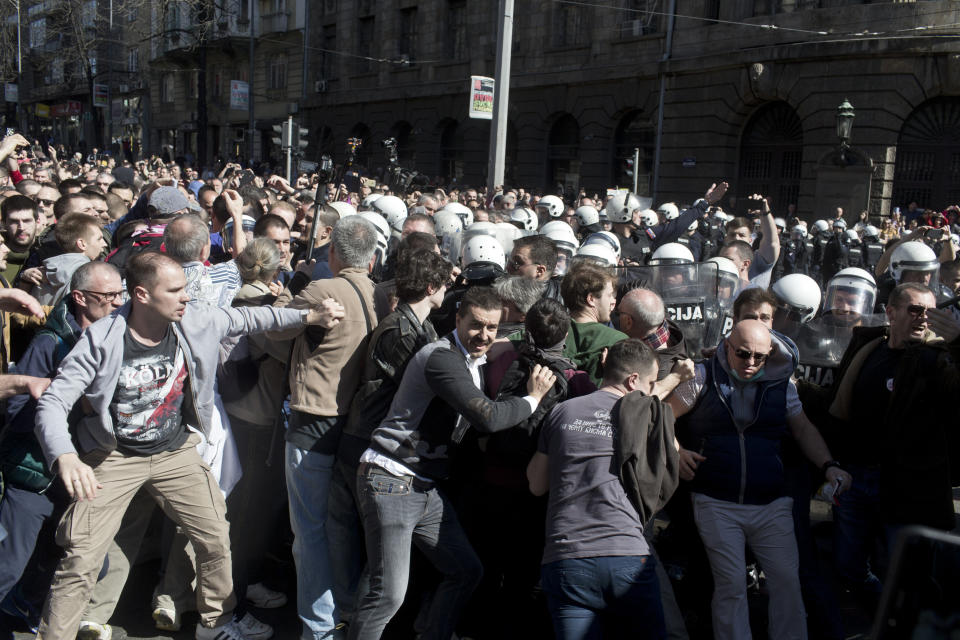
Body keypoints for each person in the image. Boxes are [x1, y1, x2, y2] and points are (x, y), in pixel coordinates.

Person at [32, 251, 344, 640]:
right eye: (175, 290)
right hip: (116, 456)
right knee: (80, 559)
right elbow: (54, 401)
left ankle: (216, 623)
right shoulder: (103, 337)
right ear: (142, 295)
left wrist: (308, 317)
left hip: (174, 451)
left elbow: (252, 318)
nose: (186, 297)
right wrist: (64, 454)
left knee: (214, 536)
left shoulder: (196, 318)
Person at [349, 286, 558, 640]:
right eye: (476, 325)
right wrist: (533, 398)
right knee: (387, 595)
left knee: (465, 571)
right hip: (392, 478)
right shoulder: (441, 358)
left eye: (492, 327)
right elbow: (487, 417)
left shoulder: (470, 361)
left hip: (422, 486)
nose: (484, 335)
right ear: (457, 318)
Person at [668, 320, 852, 640]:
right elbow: (662, 414)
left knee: (786, 581)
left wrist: (830, 465)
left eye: (759, 357)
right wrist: (676, 450)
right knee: (731, 584)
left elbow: (804, 429)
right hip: (716, 500)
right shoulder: (702, 375)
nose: (751, 363)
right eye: (742, 354)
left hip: (771, 502)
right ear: (727, 347)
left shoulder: (783, 385)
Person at [266, 215, 380, 640]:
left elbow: (272, 331)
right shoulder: (381, 295)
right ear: (371, 261)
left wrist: (293, 289)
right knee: (343, 528)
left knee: (309, 533)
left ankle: (319, 628)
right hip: (357, 428)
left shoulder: (321, 289)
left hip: (313, 422)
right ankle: (345, 611)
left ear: (332, 255)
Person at [330, 248, 452, 629]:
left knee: (379, 554)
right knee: (378, 555)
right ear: (432, 287)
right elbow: (421, 386)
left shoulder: (421, 326)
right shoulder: (402, 330)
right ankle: (356, 622)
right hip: (368, 441)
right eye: (445, 283)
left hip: (380, 443)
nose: (448, 290)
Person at [0, 263, 123, 634]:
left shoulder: (116, 335)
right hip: (35, 473)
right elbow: (18, 411)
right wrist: (68, 410)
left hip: (78, 476)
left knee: (85, 561)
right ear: (81, 298)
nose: (118, 304)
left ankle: (24, 604)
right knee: (8, 564)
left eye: (122, 294)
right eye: (108, 297)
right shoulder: (51, 343)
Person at [821, 283, 960, 601]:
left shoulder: (939, 360)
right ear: (890, 312)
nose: (923, 318)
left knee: (907, 575)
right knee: (848, 566)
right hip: (857, 478)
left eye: (930, 311)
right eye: (915, 310)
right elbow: (838, 401)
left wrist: (958, 345)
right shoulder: (867, 348)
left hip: (908, 488)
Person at [526, 339, 668, 640]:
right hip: (627, 556)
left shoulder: (563, 412)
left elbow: (536, 486)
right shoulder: (647, 418)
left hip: (567, 559)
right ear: (632, 381)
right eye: (651, 383)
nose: (651, 391)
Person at [560, 261, 626, 385]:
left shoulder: (545, 331)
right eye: (610, 295)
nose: (613, 301)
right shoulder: (618, 341)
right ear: (591, 299)